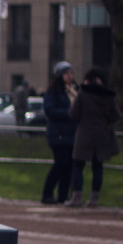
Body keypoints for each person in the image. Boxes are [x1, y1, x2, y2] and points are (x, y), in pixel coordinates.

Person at [67, 65, 119, 208]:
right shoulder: (108, 96)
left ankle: (76, 197)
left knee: (78, 165)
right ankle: (93, 199)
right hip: (102, 135)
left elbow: (73, 114)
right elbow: (116, 115)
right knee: (98, 167)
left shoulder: (83, 94)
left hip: (84, 134)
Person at [40, 62, 77, 205]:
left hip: (71, 134)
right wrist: (69, 113)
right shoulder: (53, 92)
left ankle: (63, 195)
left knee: (69, 165)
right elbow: (49, 110)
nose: (70, 76)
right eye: (67, 74)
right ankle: (47, 193)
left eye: (71, 73)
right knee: (60, 163)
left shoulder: (74, 91)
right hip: (58, 134)